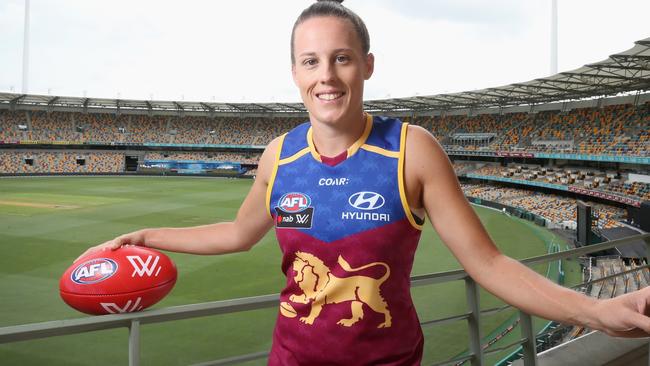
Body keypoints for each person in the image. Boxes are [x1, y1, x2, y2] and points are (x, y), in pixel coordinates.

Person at [79, 1, 650, 365]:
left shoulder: (411, 149)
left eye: (341, 58)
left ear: (368, 65)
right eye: (310, 62)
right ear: (294, 71)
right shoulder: (278, 155)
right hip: (291, 358)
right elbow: (237, 233)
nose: (325, 76)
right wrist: (145, 237)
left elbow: (489, 264)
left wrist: (595, 312)